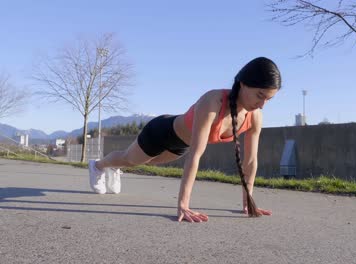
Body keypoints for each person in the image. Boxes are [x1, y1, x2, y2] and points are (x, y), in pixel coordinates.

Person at [88, 57, 282, 222]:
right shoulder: (213, 102)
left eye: (269, 99)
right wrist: (183, 205)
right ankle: (98, 166)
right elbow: (196, 155)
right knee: (130, 159)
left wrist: (248, 203)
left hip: (180, 146)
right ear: (243, 83)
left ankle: (114, 168)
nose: (262, 105)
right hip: (161, 132)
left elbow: (250, 161)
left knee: (144, 162)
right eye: (260, 95)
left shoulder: (254, 116)